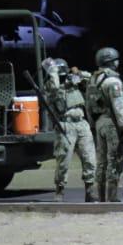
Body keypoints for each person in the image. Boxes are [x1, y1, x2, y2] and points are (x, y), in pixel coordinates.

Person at [42, 58, 98, 202]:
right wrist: (53, 72)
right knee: (64, 160)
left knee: (89, 158)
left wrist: (78, 73)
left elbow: (92, 78)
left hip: (81, 123)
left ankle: (90, 190)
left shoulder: (73, 82)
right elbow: (54, 87)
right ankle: (60, 191)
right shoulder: (50, 85)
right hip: (65, 125)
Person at [87, 46, 123, 202]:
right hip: (112, 123)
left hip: (99, 122)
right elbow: (119, 106)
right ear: (111, 62)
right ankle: (112, 197)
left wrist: (93, 124)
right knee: (114, 159)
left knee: (101, 161)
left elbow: (88, 105)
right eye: (115, 60)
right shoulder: (113, 81)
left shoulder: (94, 79)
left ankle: (100, 197)